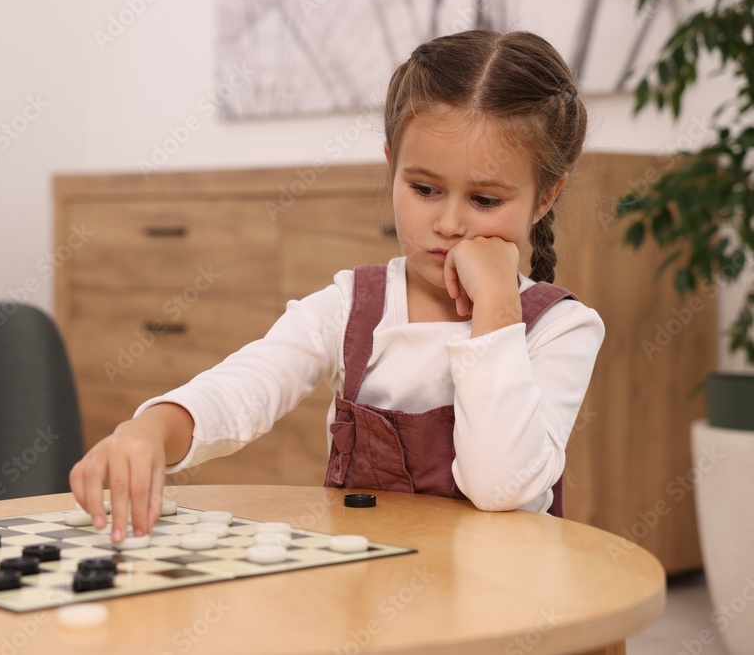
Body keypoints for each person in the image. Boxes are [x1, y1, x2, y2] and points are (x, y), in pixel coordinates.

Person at [70, 29, 605, 543]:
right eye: (424, 189)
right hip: (372, 594)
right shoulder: (351, 307)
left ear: (544, 197)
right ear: (392, 167)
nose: (448, 223)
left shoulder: (561, 328)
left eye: (485, 201)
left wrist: (495, 307)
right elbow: (247, 385)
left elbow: (500, 487)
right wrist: (150, 431)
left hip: (502, 606)